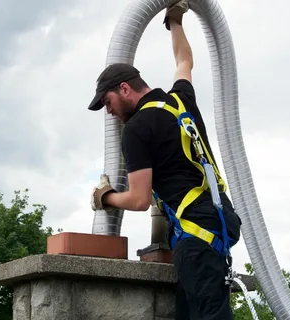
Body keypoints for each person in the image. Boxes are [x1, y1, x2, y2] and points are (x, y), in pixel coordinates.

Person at [88, 1, 242, 319]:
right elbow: (184, 60)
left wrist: (105, 197)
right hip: (217, 217)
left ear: (125, 89)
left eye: (108, 101)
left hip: (195, 235)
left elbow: (140, 199)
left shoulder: (136, 130)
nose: (109, 111)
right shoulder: (179, 100)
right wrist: (175, 20)